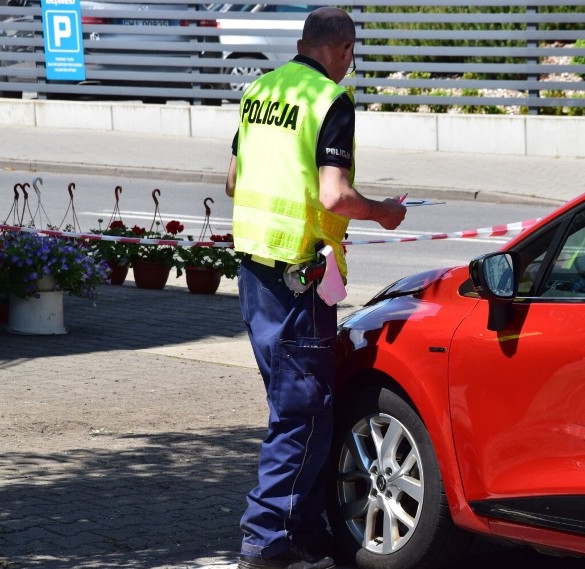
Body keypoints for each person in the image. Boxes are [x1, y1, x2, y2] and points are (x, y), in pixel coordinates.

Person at [224, 7, 407, 569]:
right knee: (301, 414)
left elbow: (232, 180)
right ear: (345, 50)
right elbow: (334, 195)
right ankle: (265, 537)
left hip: (254, 275)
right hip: (296, 280)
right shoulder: (330, 101)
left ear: (303, 42)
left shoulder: (260, 90)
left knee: (298, 409)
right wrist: (382, 212)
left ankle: (302, 527)